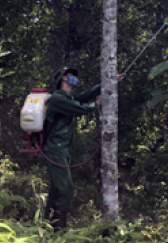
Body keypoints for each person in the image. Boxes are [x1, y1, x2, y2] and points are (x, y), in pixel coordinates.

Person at [43, 67, 124, 230]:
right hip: (55, 150)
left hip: (61, 150)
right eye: (71, 76)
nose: (74, 79)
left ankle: (46, 225)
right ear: (63, 79)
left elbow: (83, 96)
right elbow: (79, 108)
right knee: (66, 189)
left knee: (56, 189)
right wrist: (96, 105)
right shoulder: (58, 98)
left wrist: (108, 83)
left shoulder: (67, 97)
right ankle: (59, 228)